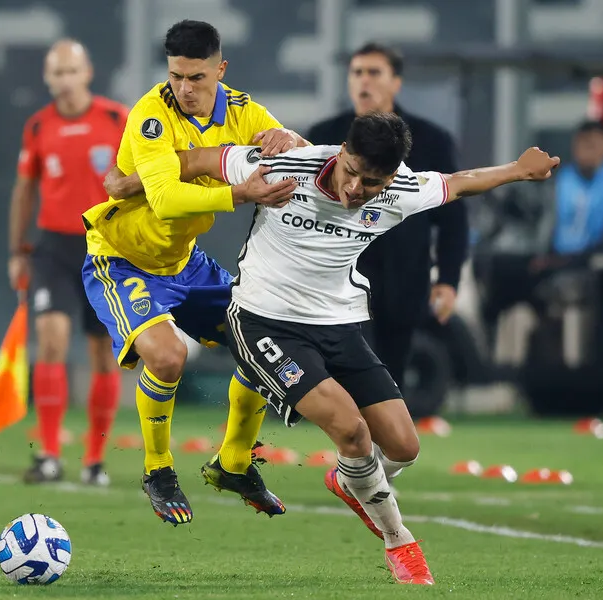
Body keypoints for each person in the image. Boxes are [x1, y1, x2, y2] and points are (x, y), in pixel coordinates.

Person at [159, 113, 558, 583]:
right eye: (351, 171)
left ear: (392, 177)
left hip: (340, 325)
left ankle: (350, 480)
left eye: (371, 183)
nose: (354, 189)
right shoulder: (286, 166)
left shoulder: (401, 191)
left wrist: (518, 169)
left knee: (405, 448)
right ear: (341, 152)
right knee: (351, 431)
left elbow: (458, 183)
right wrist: (128, 181)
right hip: (264, 322)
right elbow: (190, 161)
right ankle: (400, 543)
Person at [81, 20, 306, 526]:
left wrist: (290, 136)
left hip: (184, 263)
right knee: (167, 356)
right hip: (121, 259)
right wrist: (240, 193)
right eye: (177, 76)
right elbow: (166, 198)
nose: (184, 88)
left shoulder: (243, 111)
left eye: (197, 77)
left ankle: (233, 462)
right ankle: (158, 469)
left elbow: (301, 155)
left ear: (220, 70)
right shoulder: (151, 115)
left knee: (260, 337)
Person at [306, 42, 468, 395]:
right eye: (357, 72)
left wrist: (449, 280)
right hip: (339, 275)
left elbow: (453, 219)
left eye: (374, 73)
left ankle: (382, 447)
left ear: (396, 82)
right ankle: (352, 443)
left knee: (391, 375)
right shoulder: (323, 137)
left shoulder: (431, 140)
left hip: (404, 276)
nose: (365, 81)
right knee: (348, 372)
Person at [9, 40, 128, 486]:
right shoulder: (38, 126)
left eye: (70, 71)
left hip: (104, 247)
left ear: (87, 72)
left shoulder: (118, 119)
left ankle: (95, 461)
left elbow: (143, 182)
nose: (63, 80)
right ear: (47, 77)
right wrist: (17, 249)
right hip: (54, 248)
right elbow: (24, 190)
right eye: (55, 72)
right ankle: (50, 454)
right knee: (51, 340)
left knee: (102, 354)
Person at [477, 120, 603, 339]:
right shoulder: (562, 180)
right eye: (582, 144)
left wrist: (562, 261)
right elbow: (540, 221)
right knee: (495, 268)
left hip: (591, 264)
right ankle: (486, 349)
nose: (586, 150)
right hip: (553, 260)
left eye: (592, 144)